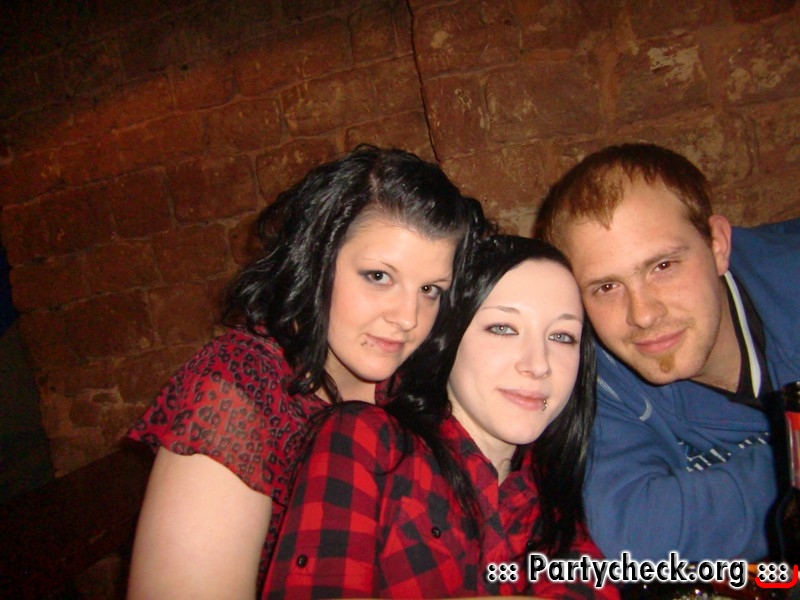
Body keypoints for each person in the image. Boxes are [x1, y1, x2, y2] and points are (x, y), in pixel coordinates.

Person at [126, 145, 491, 600]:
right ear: (316, 258)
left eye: (431, 289)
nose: (408, 317)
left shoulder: (410, 381)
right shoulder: (239, 389)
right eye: (379, 276)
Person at [262, 235, 619, 599]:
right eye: (503, 328)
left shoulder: (549, 496)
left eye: (562, 336)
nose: (538, 364)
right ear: (448, 336)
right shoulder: (369, 443)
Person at [534, 142, 800, 563]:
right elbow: (636, 537)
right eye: (606, 287)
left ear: (717, 245)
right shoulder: (599, 377)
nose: (642, 315)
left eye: (663, 266)